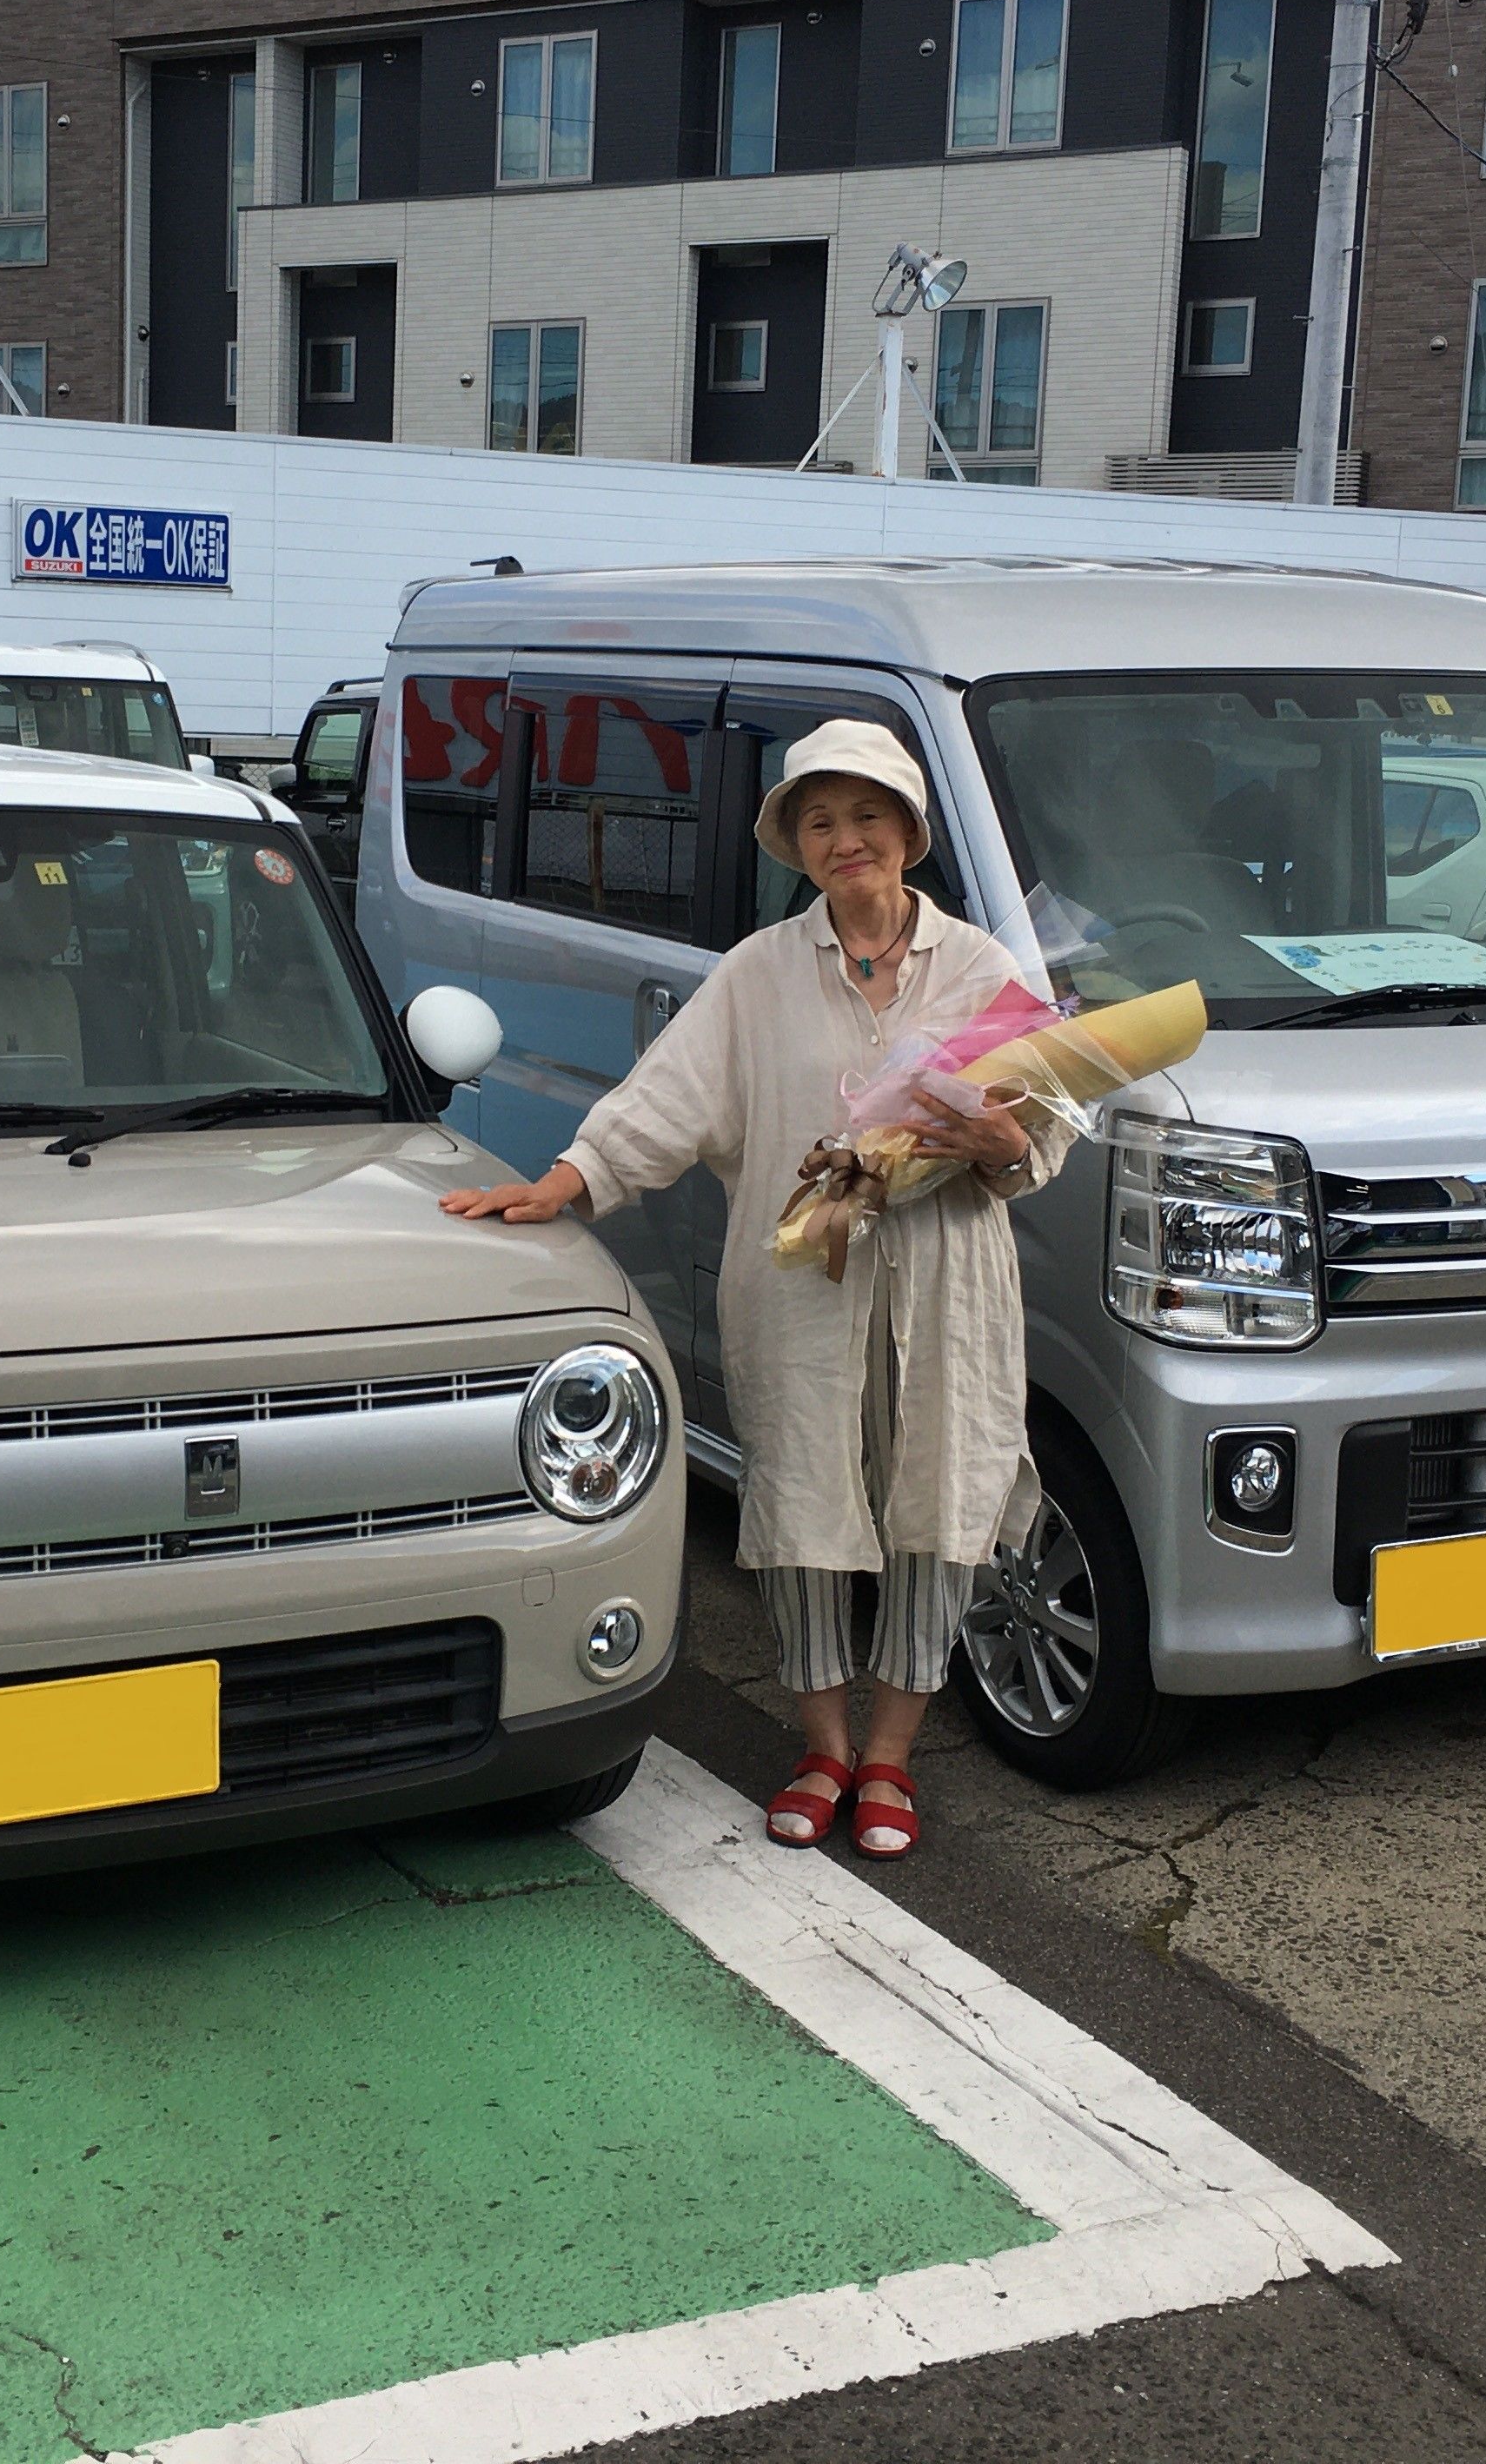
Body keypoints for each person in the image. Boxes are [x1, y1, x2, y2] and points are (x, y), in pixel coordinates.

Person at [443, 720, 1057, 1859]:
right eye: (820, 822)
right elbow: (665, 1097)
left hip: (946, 1287)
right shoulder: (759, 973)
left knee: (936, 1508)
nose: (846, 840)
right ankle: (823, 1748)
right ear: (798, 845)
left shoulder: (981, 970)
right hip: (802, 1283)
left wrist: (995, 1142)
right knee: (804, 1504)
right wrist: (566, 1181)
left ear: (909, 831)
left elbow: (1044, 1135)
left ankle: (890, 1757)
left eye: (867, 815)